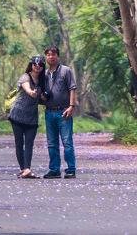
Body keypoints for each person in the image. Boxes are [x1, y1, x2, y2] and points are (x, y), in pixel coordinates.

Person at [42, 45, 79, 178]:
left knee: (67, 142)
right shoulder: (44, 74)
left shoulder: (65, 71)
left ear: (58, 56)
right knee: (52, 143)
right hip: (49, 112)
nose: (51, 57)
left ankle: (71, 169)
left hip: (64, 111)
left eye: (53, 54)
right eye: (48, 55)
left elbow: (72, 88)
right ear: (46, 57)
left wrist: (71, 106)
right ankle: (54, 170)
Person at [8, 56, 47, 178]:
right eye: (35, 64)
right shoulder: (25, 77)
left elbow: (43, 98)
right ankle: (24, 169)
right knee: (19, 143)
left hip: (31, 117)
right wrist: (31, 92)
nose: (37, 67)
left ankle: (27, 169)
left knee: (29, 143)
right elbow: (27, 88)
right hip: (18, 115)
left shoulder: (42, 81)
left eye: (40, 64)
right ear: (31, 65)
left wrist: (44, 97)